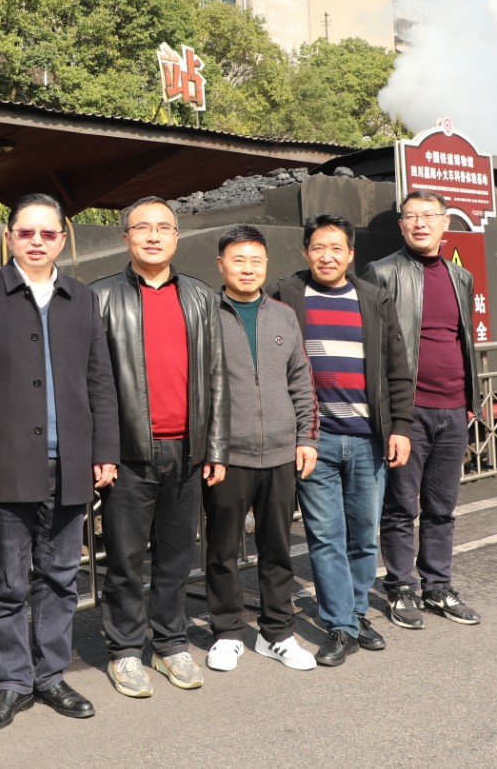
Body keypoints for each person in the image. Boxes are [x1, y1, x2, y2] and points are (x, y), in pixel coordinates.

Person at [0, 194, 119, 731]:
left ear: (62, 239)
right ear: (9, 236)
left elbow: (100, 379)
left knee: (59, 577)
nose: (37, 241)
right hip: (8, 464)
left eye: (48, 233)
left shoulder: (82, 297)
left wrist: (105, 451)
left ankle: (51, 674)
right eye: (26, 232)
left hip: (70, 460)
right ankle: (12, 681)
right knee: (8, 582)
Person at [91, 196, 228, 697]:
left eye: (163, 228)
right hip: (129, 453)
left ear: (176, 236)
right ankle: (125, 651)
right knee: (125, 560)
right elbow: (91, 382)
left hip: (188, 451)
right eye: (142, 227)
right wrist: (101, 450)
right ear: (125, 237)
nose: (153, 236)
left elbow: (217, 376)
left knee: (175, 558)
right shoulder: (100, 297)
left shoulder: (200, 297)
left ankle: (170, 643)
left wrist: (215, 447)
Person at [266, 214, 412, 667]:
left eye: (336, 249)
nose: (326, 257)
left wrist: (401, 427)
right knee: (326, 536)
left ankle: (355, 612)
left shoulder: (374, 298)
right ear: (305, 252)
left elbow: (397, 367)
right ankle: (341, 626)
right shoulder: (287, 295)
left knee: (364, 536)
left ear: (351, 254)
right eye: (318, 248)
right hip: (315, 441)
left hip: (369, 439)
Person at [202, 225, 320, 674]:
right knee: (222, 550)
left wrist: (306, 438)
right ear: (221, 264)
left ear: (266, 264)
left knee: (278, 549)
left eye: (256, 260)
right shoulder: (205, 315)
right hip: (227, 455)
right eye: (238, 260)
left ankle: (277, 633)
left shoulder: (284, 316)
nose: (247, 269)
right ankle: (228, 633)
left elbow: (301, 381)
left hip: (281, 453)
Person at [367, 192, 484, 628]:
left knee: (442, 506)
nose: (420, 223)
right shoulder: (381, 273)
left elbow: (463, 339)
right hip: (408, 410)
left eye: (429, 216)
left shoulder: (461, 277)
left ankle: (437, 586)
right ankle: (400, 587)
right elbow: (375, 346)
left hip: (453, 408)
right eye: (411, 216)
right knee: (401, 506)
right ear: (401, 224)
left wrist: (470, 400)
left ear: (444, 223)